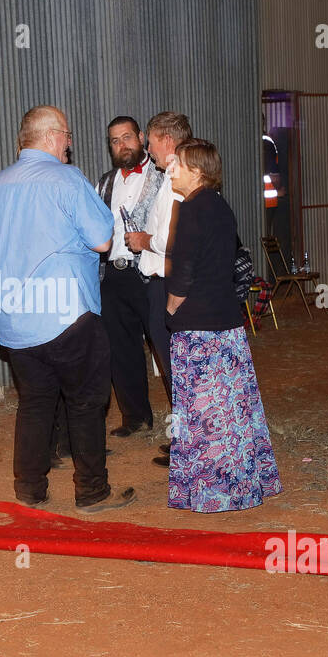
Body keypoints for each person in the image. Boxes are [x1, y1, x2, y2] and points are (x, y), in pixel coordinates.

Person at [0, 105, 135, 514]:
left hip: (16, 320)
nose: (70, 143)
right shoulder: (67, 179)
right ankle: (91, 491)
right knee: (85, 403)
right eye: (67, 135)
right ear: (52, 136)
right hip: (68, 315)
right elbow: (102, 240)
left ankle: (30, 489)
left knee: (34, 403)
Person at [164, 139, 281, 512]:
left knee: (203, 415)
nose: (171, 171)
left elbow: (183, 272)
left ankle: (215, 492)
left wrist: (169, 308)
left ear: (197, 171)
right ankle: (247, 484)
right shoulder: (221, 206)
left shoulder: (191, 209)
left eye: (177, 165)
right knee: (234, 410)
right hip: (227, 325)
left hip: (198, 329)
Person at [95, 116, 172, 441]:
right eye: (115, 140)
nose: (122, 144)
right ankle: (135, 416)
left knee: (166, 348)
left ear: (141, 138)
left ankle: (184, 425)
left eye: (127, 137)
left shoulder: (164, 176)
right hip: (112, 275)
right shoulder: (104, 182)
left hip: (150, 275)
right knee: (120, 348)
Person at [129, 111, 192, 466]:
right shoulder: (169, 176)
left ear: (166, 140)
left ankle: (187, 443)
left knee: (175, 366)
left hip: (168, 282)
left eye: (150, 140)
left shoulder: (179, 178)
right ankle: (182, 437)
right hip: (160, 280)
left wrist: (143, 239)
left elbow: (174, 238)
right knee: (171, 367)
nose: (147, 147)